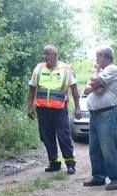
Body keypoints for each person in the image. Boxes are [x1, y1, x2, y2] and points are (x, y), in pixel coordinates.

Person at [27, 44, 82, 174]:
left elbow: (74, 90)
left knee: (64, 136)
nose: (45, 56)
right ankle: (54, 163)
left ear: (56, 55)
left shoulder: (66, 69)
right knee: (46, 137)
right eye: (44, 54)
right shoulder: (39, 68)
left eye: (48, 54)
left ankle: (70, 163)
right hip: (42, 110)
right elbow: (32, 88)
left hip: (59, 110)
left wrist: (78, 107)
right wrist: (30, 107)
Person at [82, 47, 117, 190]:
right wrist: (95, 85)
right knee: (94, 148)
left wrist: (95, 74)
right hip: (94, 114)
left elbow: (93, 85)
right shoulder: (103, 72)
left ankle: (116, 179)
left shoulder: (112, 69)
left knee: (108, 148)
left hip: (106, 113)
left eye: (98, 57)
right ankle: (98, 176)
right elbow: (90, 89)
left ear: (105, 57)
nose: (97, 60)